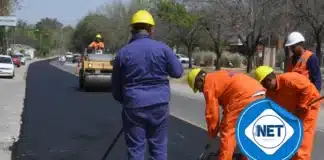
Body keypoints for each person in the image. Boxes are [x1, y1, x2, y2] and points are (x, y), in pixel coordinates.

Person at [112, 10, 183, 160]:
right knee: (159, 149)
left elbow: (116, 88)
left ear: (132, 30)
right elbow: (177, 72)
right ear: (151, 30)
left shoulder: (123, 53)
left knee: (136, 150)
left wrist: (126, 101)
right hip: (159, 104)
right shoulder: (163, 48)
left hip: (134, 105)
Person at [187, 68, 266, 160]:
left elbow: (212, 113)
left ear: (200, 79)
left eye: (197, 87)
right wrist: (225, 116)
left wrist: (213, 131)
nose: (200, 90)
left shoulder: (208, 84)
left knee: (228, 131)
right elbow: (228, 98)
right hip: (259, 93)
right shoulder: (218, 76)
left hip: (244, 97)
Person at [255, 65, 321, 160]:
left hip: (309, 106)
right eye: (262, 85)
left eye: (265, 84)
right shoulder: (270, 93)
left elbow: (307, 89)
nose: (265, 87)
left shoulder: (289, 79)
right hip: (294, 111)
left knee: (302, 139)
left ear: (270, 78)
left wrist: (302, 106)